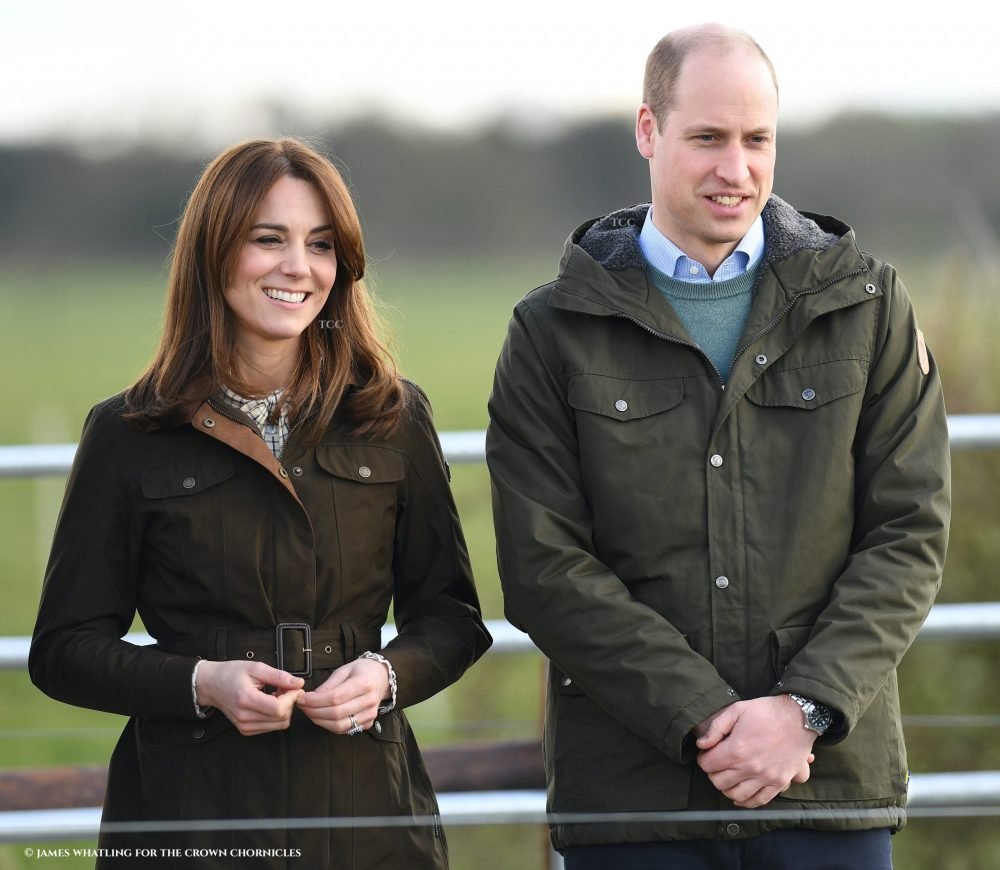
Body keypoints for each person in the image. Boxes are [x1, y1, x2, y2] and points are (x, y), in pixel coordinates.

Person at [486, 23, 950, 870]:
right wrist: (707, 718)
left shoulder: (871, 307)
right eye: (706, 138)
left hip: (826, 791)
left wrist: (801, 712)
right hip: (636, 805)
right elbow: (544, 565)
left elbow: (909, 534)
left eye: (756, 140)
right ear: (648, 132)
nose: (734, 169)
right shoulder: (551, 330)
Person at [30, 137, 492, 869]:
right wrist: (200, 682)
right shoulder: (128, 433)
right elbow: (63, 651)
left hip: (367, 813)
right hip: (189, 817)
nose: (297, 267)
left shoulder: (393, 418)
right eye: (267, 240)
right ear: (214, 254)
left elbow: (452, 620)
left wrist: (385, 676)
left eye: (320, 245)